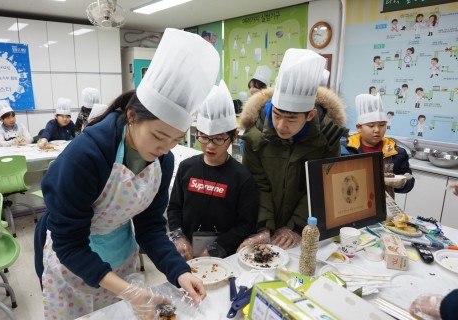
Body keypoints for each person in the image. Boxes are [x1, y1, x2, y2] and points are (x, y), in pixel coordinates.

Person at [33, 28, 220, 319]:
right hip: (72, 266)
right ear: (132, 117)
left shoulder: (162, 161)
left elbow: (149, 228)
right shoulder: (86, 156)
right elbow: (68, 243)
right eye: (159, 136)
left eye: (175, 139)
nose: (165, 147)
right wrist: (128, 291)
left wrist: (179, 271)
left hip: (121, 261)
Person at [238, 49, 347, 250]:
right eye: (277, 115)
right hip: (264, 223)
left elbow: (319, 185)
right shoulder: (256, 136)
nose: (280, 126)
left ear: (310, 115)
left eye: (291, 119)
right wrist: (263, 227)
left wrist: (296, 226)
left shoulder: (327, 139)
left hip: (305, 227)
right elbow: (258, 184)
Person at [167, 80, 259, 260]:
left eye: (218, 139)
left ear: (233, 136)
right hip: (187, 251)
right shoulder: (187, 168)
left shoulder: (241, 177)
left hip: (224, 255)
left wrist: (217, 248)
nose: (209, 145)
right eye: (204, 137)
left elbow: (246, 225)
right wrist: (179, 237)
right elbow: (174, 208)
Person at [342, 94, 415, 197]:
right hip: (354, 201)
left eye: (382, 125)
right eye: (371, 125)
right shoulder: (346, 149)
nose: (377, 130)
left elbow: (408, 182)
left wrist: (404, 183)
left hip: (384, 204)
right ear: (359, 127)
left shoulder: (397, 153)